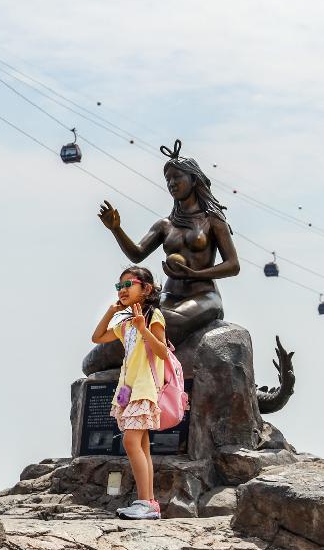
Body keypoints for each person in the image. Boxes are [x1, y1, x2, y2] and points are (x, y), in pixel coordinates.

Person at [96, 139, 239, 344]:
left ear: (194, 179)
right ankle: (117, 369)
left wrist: (197, 274)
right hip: (169, 295)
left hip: (203, 296)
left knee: (164, 322)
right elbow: (137, 254)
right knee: (133, 324)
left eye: (177, 177)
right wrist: (116, 229)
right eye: (167, 179)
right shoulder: (165, 224)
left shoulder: (212, 220)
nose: (172, 183)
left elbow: (233, 265)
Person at [91, 266, 169, 520]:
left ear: (146, 289)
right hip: (128, 389)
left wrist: (143, 328)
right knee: (142, 446)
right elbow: (97, 337)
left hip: (144, 388)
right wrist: (112, 311)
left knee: (130, 441)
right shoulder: (125, 325)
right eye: (119, 286)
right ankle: (149, 503)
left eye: (128, 284)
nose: (122, 290)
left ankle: (145, 502)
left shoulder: (153, 316)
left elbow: (162, 352)